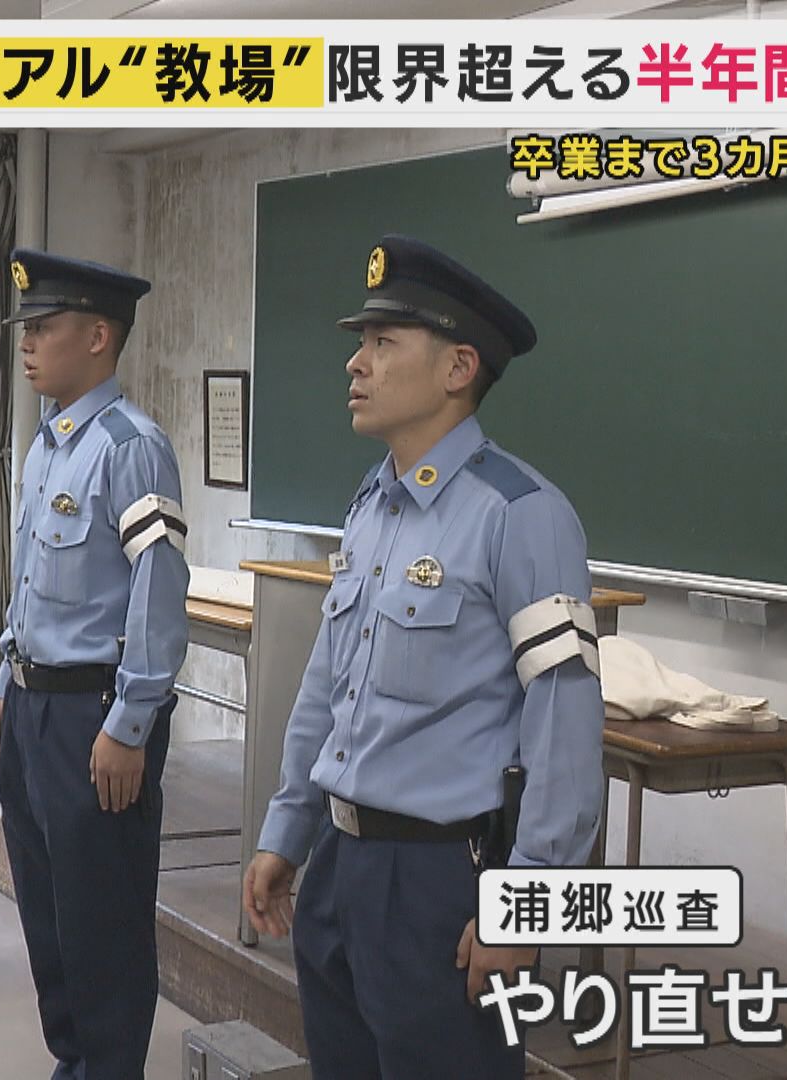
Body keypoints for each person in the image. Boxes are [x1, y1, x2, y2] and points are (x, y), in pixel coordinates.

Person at [241, 236, 606, 1080]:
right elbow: (327, 687)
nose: (355, 363)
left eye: (383, 342)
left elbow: (564, 720)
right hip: (339, 865)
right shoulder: (373, 505)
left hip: (441, 882)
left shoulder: (521, 514)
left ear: (458, 368)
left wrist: (527, 906)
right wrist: (287, 828)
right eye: (360, 342)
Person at [0, 248, 190, 1080]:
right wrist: (5, 682)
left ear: (99, 337)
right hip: (34, 708)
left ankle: (107, 1067)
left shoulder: (130, 447)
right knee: (48, 913)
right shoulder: (45, 447)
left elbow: (157, 592)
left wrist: (131, 723)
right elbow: (32, 584)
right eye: (25, 329)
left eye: (44, 327)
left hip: (94, 716)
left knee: (101, 920)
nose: (27, 344)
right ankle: (74, 1061)